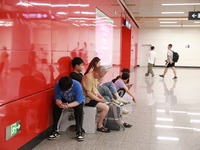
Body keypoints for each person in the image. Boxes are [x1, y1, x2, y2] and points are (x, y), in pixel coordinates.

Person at [82, 66, 132, 132]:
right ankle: (99, 125)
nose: (100, 78)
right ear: (96, 72)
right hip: (87, 100)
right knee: (106, 108)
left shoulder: (94, 76)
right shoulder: (88, 78)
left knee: (111, 105)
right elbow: (88, 93)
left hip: (93, 97)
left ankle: (120, 121)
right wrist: (99, 100)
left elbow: (94, 89)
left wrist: (100, 96)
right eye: (100, 76)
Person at [48, 76, 85, 141]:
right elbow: (58, 99)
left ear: (71, 85)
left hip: (76, 101)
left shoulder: (77, 85)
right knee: (56, 108)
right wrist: (60, 104)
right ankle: (56, 131)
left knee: (79, 110)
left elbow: (78, 101)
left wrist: (68, 105)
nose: (66, 92)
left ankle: (79, 131)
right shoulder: (57, 84)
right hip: (65, 100)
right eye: (64, 91)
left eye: (67, 90)